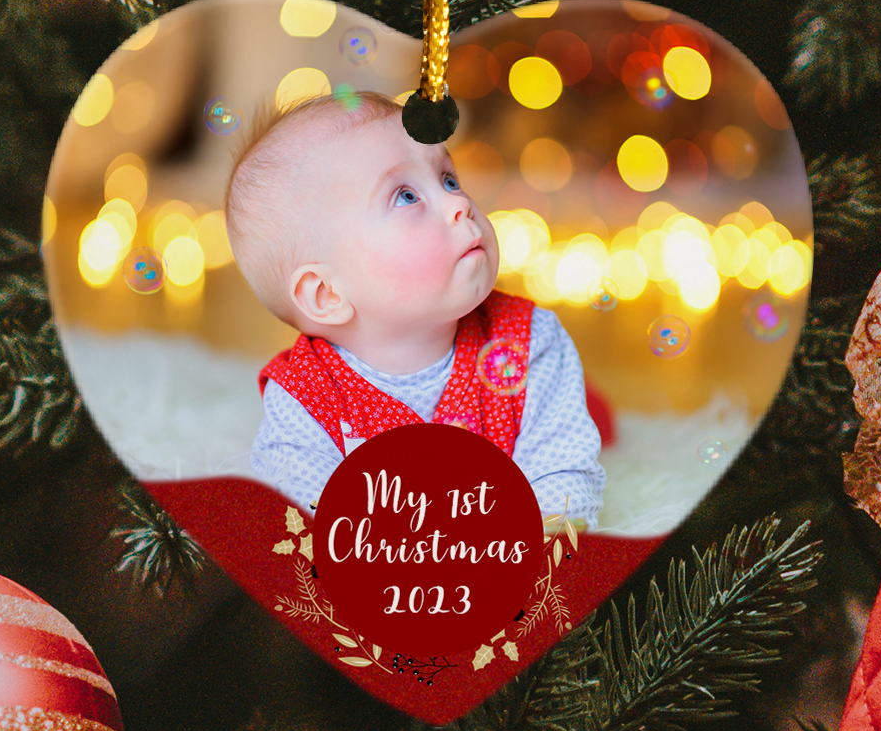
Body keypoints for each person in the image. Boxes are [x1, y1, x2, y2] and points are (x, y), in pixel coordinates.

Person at [224, 89, 606, 523]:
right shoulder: (306, 395)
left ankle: (596, 407)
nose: (460, 203)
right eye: (406, 196)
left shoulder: (529, 341)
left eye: (448, 179)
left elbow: (565, 477)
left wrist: (540, 544)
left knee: (588, 420)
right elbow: (301, 513)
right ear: (328, 294)